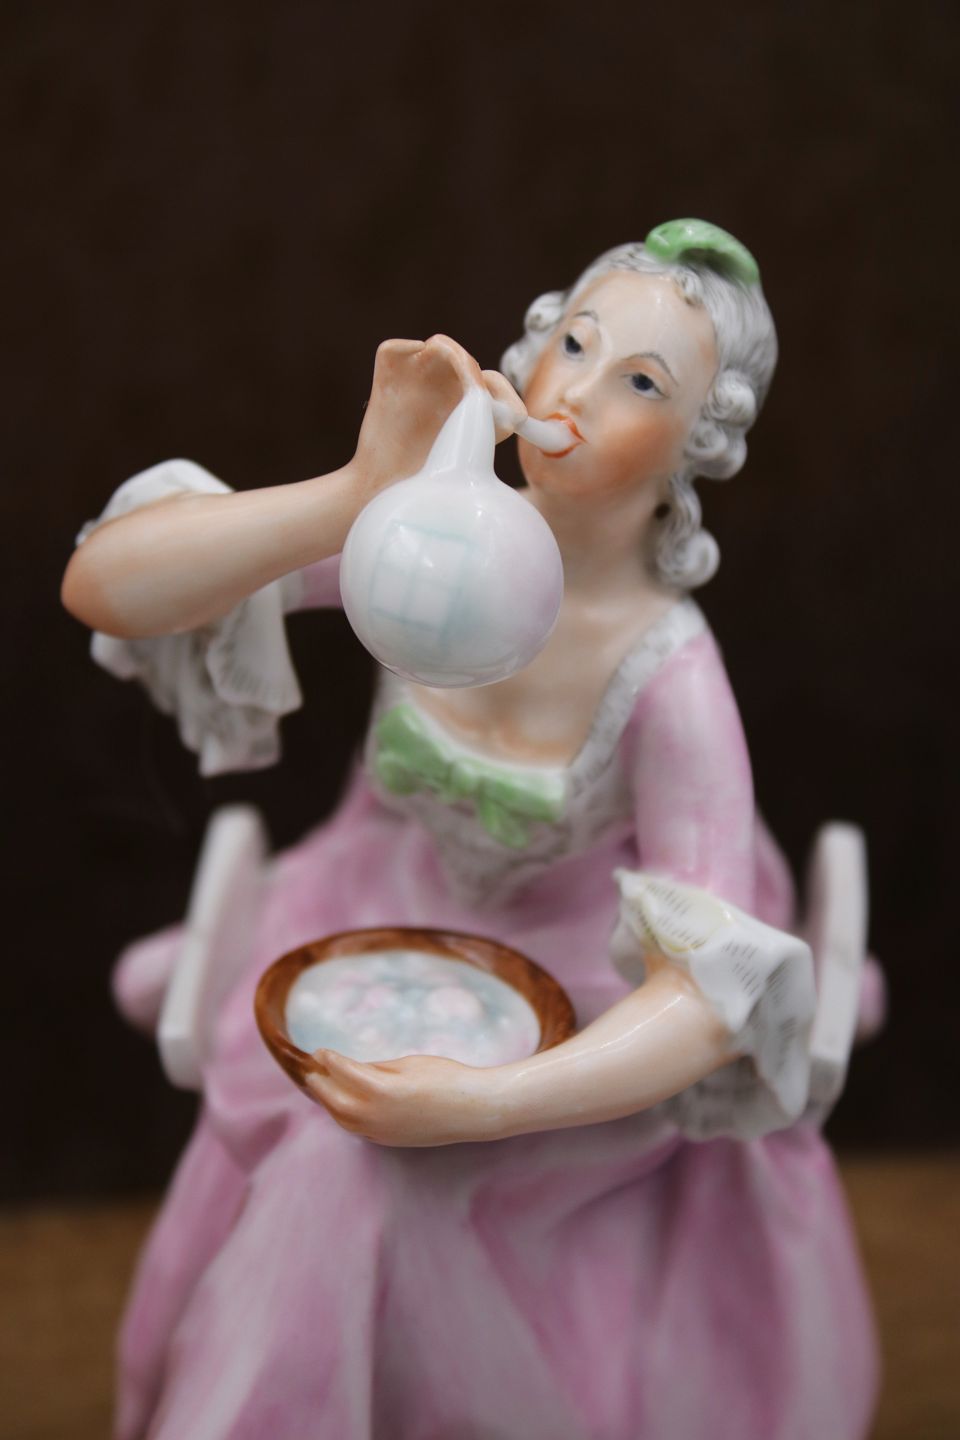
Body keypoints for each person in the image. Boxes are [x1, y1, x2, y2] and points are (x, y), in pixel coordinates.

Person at [63, 220, 879, 1440]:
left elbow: (710, 1000)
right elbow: (107, 586)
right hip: (374, 923)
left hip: (584, 1005)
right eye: (573, 343)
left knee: (354, 1173)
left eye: (639, 383)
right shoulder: (428, 547)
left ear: (697, 445)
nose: (575, 392)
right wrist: (353, 497)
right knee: (331, 1145)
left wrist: (487, 1102)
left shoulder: (669, 677)